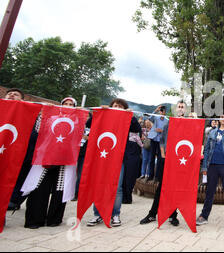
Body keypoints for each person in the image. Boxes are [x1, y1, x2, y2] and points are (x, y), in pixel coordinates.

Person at [22, 97, 79, 229]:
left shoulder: (78, 122)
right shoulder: (52, 118)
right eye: (66, 104)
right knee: (39, 187)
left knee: (60, 190)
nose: (68, 106)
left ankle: (54, 219)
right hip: (47, 157)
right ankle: (35, 219)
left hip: (65, 159)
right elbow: (38, 130)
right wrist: (45, 113)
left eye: (71, 104)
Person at [87, 98, 141, 227]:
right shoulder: (104, 116)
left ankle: (115, 214)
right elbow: (89, 124)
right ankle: (98, 214)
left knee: (117, 187)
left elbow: (136, 128)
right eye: (115, 105)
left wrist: (130, 115)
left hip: (119, 158)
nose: (117, 107)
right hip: (103, 157)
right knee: (100, 185)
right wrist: (100, 111)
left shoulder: (126, 119)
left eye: (120, 106)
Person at [139, 100, 188, 226]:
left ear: (186, 110)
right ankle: (152, 214)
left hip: (179, 160)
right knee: (162, 187)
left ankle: (172, 215)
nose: (181, 108)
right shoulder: (169, 123)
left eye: (183, 107)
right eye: (179, 107)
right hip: (166, 158)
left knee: (174, 188)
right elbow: (162, 140)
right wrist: (162, 153)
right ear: (176, 109)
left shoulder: (189, 123)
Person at [5, 88, 39, 211]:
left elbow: (34, 134)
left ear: (22, 99)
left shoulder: (28, 113)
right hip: (3, 150)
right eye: (9, 94)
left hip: (21, 152)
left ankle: (13, 200)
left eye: (16, 95)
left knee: (19, 177)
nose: (12, 95)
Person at [146, 105, 169, 181]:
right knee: (151, 158)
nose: (161, 112)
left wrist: (162, 131)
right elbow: (149, 118)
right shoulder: (155, 117)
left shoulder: (167, 120)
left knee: (159, 159)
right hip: (153, 139)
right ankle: (150, 175)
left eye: (163, 111)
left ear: (165, 112)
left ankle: (157, 177)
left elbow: (168, 132)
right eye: (160, 111)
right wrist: (155, 110)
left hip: (161, 142)